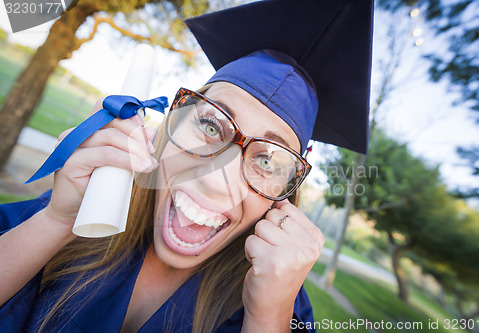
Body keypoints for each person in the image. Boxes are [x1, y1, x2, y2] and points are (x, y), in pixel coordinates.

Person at [0, 0, 373, 332]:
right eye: (211, 126)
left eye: (267, 159)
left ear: (284, 194)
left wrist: (267, 318)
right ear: (172, 124)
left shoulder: (279, 301)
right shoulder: (88, 207)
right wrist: (56, 222)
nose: (215, 180)